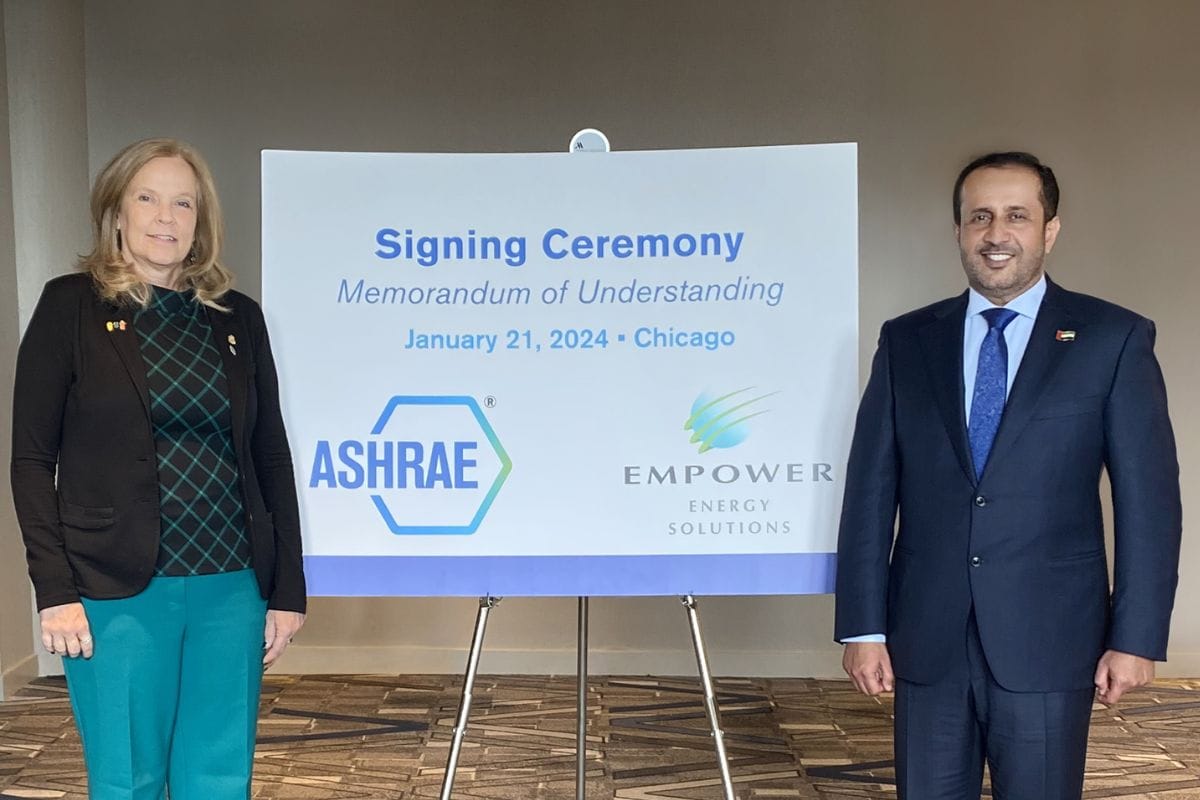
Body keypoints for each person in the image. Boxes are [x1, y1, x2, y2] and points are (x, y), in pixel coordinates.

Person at [834, 151, 1181, 800]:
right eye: (980, 217)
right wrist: (863, 626)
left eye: (1017, 216)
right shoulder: (907, 341)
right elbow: (869, 495)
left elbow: (1149, 504)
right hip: (925, 639)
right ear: (959, 230)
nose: (997, 234)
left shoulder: (1113, 339)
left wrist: (1136, 637)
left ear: (1050, 229)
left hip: (1051, 639)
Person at [11, 137, 307, 799]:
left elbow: (269, 455)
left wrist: (288, 588)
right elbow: (31, 461)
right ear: (117, 212)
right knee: (128, 778)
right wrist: (53, 589)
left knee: (219, 777)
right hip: (114, 589)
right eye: (147, 198)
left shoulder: (238, 318)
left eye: (183, 203)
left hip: (232, 584)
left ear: (201, 222)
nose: (165, 217)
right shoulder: (70, 307)